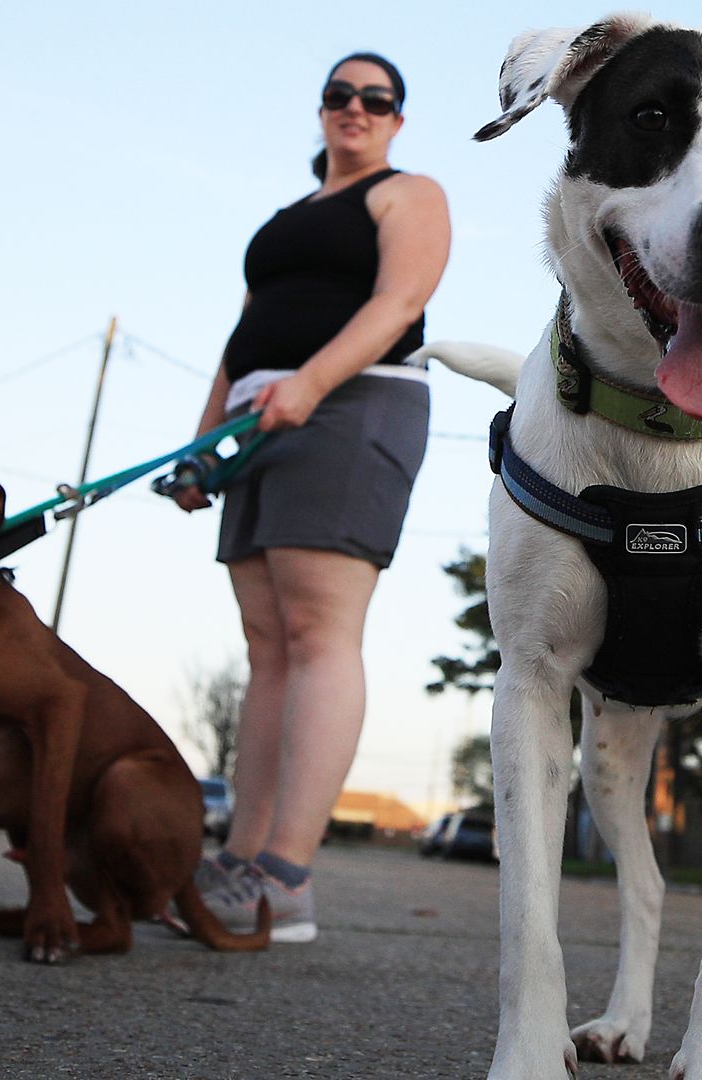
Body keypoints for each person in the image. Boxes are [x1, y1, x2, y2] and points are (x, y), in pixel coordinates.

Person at [173, 51, 450, 943]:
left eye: (377, 98)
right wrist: (201, 439)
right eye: (341, 95)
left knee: (318, 631)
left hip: (353, 402)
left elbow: (400, 298)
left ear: (397, 119)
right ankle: (239, 858)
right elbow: (242, 332)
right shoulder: (287, 221)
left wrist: (312, 384)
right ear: (322, 110)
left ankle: (286, 876)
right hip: (258, 418)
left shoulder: (408, 194)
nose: (356, 109)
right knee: (266, 646)